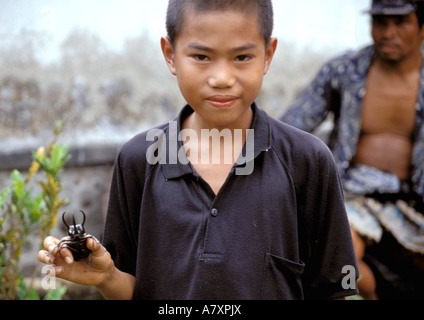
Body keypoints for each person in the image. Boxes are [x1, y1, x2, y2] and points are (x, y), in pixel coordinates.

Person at [38, 0, 358, 300]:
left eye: (242, 57)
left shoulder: (307, 160)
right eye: (201, 57)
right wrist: (106, 278)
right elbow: (134, 286)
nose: (221, 78)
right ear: (170, 55)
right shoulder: (137, 160)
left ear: (268, 54)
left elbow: (333, 288)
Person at [281, 0, 424, 300]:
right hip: (350, 194)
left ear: (422, 28)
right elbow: (291, 128)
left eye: (400, 23)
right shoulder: (345, 70)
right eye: (380, 23)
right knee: (340, 258)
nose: (388, 32)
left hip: (413, 201)